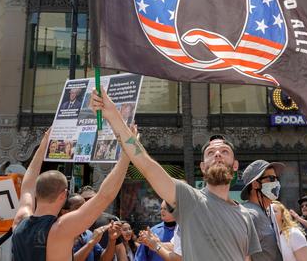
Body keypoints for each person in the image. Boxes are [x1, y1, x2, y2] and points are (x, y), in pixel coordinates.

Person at [91, 88, 261, 261]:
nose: (217, 154)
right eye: (211, 153)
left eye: (224, 151)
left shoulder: (245, 215)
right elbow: (147, 165)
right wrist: (113, 116)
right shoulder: (190, 199)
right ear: (203, 167)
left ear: (235, 165)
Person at [11, 128, 130, 261]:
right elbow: (104, 196)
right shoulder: (62, 228)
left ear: (37, 193)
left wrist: (44, 145)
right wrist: (126, 154)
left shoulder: (20, 219)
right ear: (64, 195)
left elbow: (27, 185)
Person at [240, 159, 285, 261]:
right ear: (255, 184)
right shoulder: (249, 215)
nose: (277, 183)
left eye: (277, 178)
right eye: (271, 178)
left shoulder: (268, 213)